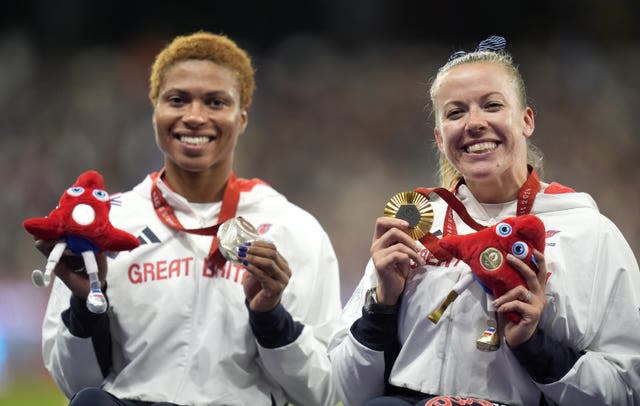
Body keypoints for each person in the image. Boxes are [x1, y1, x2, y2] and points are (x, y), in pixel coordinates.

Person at [329, 36, 640, 405]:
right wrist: (382, 305)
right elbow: (343, 393)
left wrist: (534, 345)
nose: (474, 123)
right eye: (455, 113)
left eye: (492, 105)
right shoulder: (413, 230)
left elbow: (626, 391)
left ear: (526, 120)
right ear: (440, 139)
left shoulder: (589, 233)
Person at [38, 31, 342, 406]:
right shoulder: (105, 227)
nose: (195, 117)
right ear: (156, 112)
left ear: (242, 118)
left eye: (215, 102)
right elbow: (72, 381)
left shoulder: (295, 230)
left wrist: (272, 318)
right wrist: (86, 304)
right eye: (178, 100)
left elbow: (324, 392)